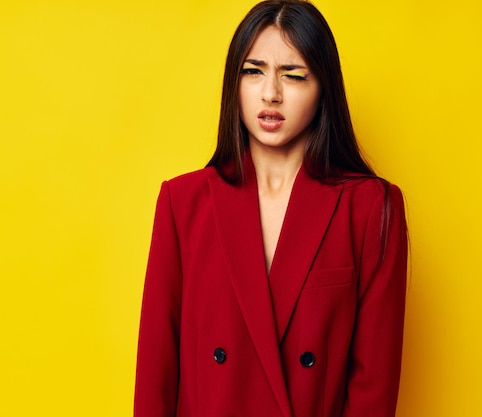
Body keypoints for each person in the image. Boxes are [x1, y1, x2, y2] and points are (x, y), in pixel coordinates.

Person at [134, 1, 408, 416]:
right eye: (253, 71)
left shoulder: (371, 209)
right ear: (234, 84)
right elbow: (155, 376)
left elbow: (374, 388)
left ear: (324, 89)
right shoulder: (183, 204)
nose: (270, 93)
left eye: (294, 76)